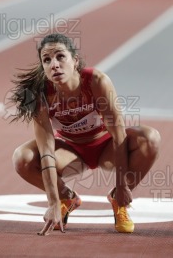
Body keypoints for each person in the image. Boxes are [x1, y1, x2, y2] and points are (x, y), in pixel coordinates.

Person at [10, 33, 160, 236]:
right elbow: (46, 151)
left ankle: (118, 200)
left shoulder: (96, 81)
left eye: (60, 57)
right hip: (71, 153)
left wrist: (122, 185)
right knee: (22, 158)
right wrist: (53, 201)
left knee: (150, 138)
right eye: (47, 60)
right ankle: (67, 198)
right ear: (43, 67)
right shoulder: (40, 96)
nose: (54, 64)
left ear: (75, 61)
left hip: (106, 147)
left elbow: (119, 136)